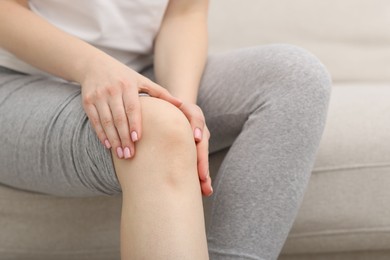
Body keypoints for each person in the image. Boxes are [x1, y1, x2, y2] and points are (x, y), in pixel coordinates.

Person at [0, 0, 331, 259]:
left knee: (296, 77)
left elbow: (184, 13)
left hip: (144, 70)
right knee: (157, 130)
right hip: (21, 77)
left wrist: (182, 109)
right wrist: (93, 66)